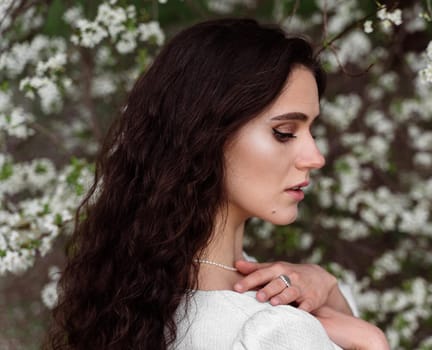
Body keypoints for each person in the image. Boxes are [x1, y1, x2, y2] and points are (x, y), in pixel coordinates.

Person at [47, 18, 389, 350]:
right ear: (207, 138)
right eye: (284, 133)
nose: (315, 157)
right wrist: (373, 344)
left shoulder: (135, 298)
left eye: (312, 130)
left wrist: (329, 291)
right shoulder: (280, 333)